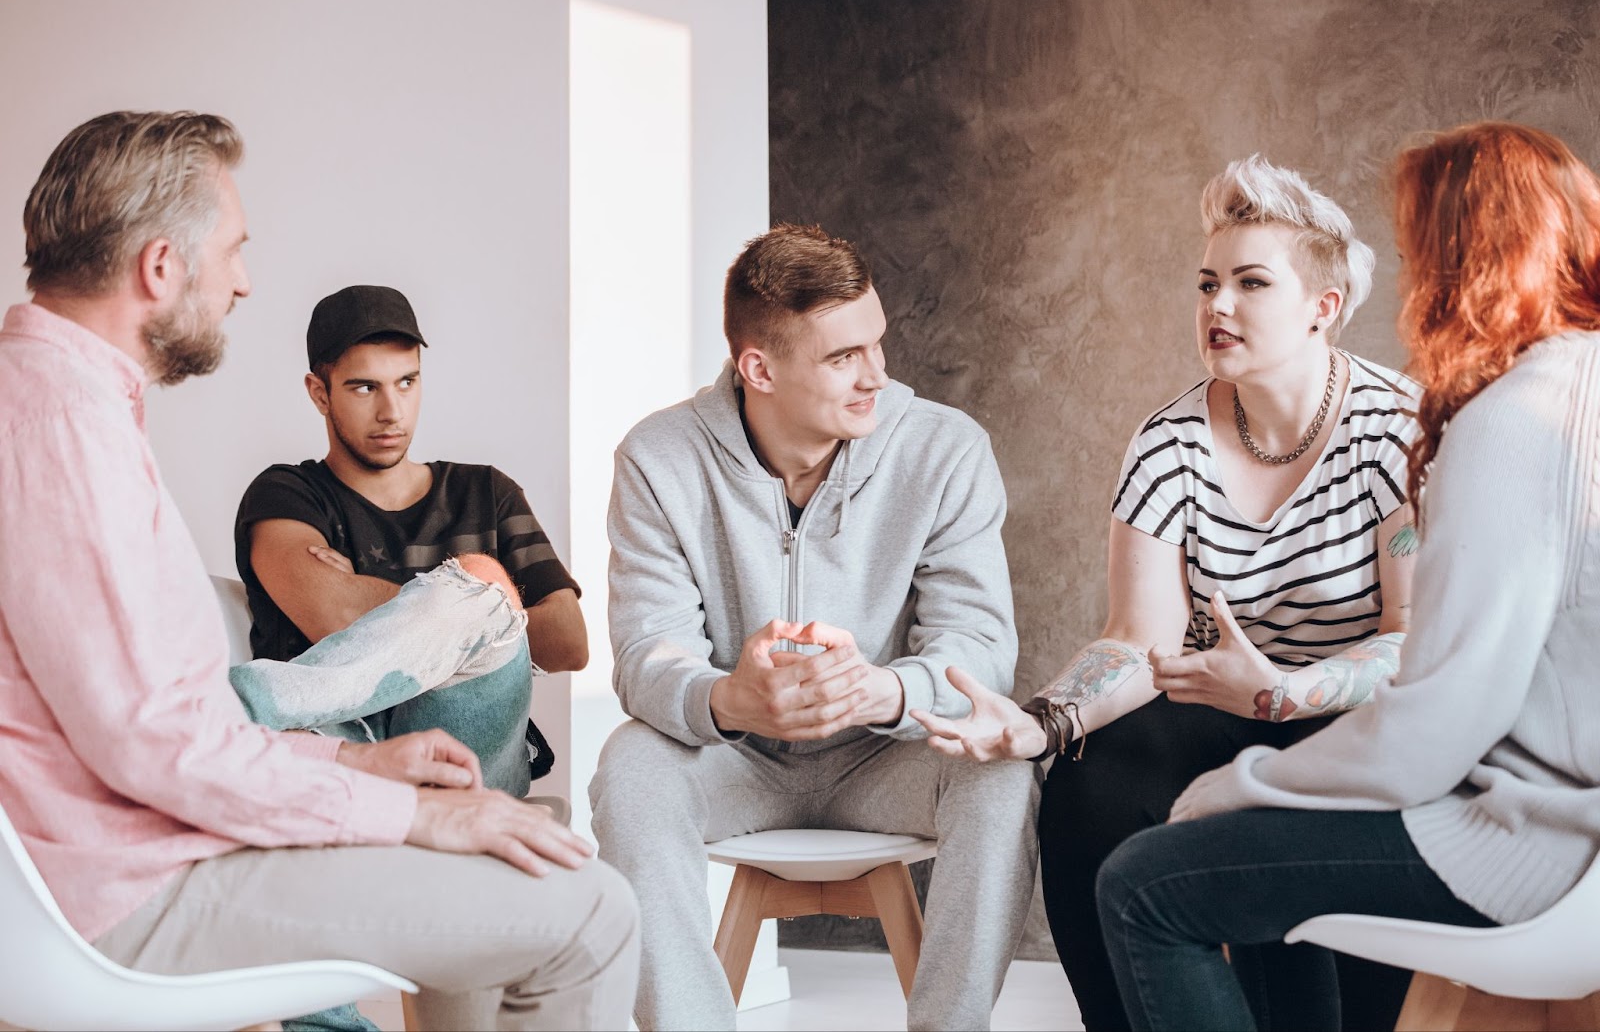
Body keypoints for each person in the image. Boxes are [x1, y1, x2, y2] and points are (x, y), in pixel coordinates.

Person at [0, 110, 637, 1031]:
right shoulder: (62, 428)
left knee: (533, 836)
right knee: (591, 913)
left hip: (154, 841)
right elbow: (155, 742)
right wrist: (408, 813)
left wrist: (351, 757)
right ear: (160, 266)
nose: (245, 282)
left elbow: (567, 638)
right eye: (233, 250)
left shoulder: (60, 401)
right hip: (131, 885)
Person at [1093, 120, 1600, 1030]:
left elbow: (1437, 726)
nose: (1409, 280)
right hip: (1570, 828)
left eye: (1416, 249)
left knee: (1145, 885)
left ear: (1465, 257)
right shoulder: (1584, 387)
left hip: (1531, 841)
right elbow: (1135, 638)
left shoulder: (1507, 422)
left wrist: (1240, 783)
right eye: (1211, 281)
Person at [915, 156, 1419, 1029]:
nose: (1218, 306)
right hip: (1218, 695)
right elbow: (1138, 639)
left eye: (1251, 283)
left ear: (1322, 307)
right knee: (1088, 783)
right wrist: (1046, 720)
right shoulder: (1167, 443)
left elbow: (1412, 636)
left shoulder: (1397, 428)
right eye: (1207, 283)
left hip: (1358, 710)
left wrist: (1287, 692)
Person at [589, 223, 1039, 1030]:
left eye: (877, 343)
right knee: (630, 765)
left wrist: (883, 690)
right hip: (733, 761)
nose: (877, 374)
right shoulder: (658, 458)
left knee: (1001, 770)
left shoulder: (944, 449)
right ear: (757, 368)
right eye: (843, 357)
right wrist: (728, 698)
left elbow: (977, 649)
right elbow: (643, 654)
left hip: (887, 756)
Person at [234, 282, 586, 797]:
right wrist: (480, 609)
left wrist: (474, 608)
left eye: (406, 382)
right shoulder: (286, 494)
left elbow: (570, 643)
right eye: (363, 388)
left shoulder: (486, 492)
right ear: (319, 392)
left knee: (482, 582)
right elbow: (330, 613)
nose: (391, 411)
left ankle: (238, 707)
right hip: (341, 748)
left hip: (470, 759)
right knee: (486, 584)